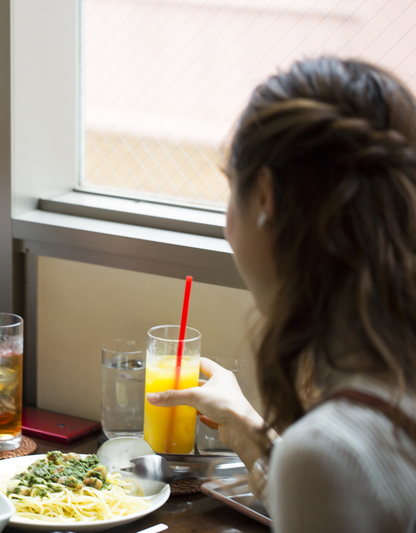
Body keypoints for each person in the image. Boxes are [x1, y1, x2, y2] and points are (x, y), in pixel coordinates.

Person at [147, 57, 416, 532]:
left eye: (232, 190)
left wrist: (295, 453)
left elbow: (332, 472)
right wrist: (251, 433)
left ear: (266, 197)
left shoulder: (326, 454)